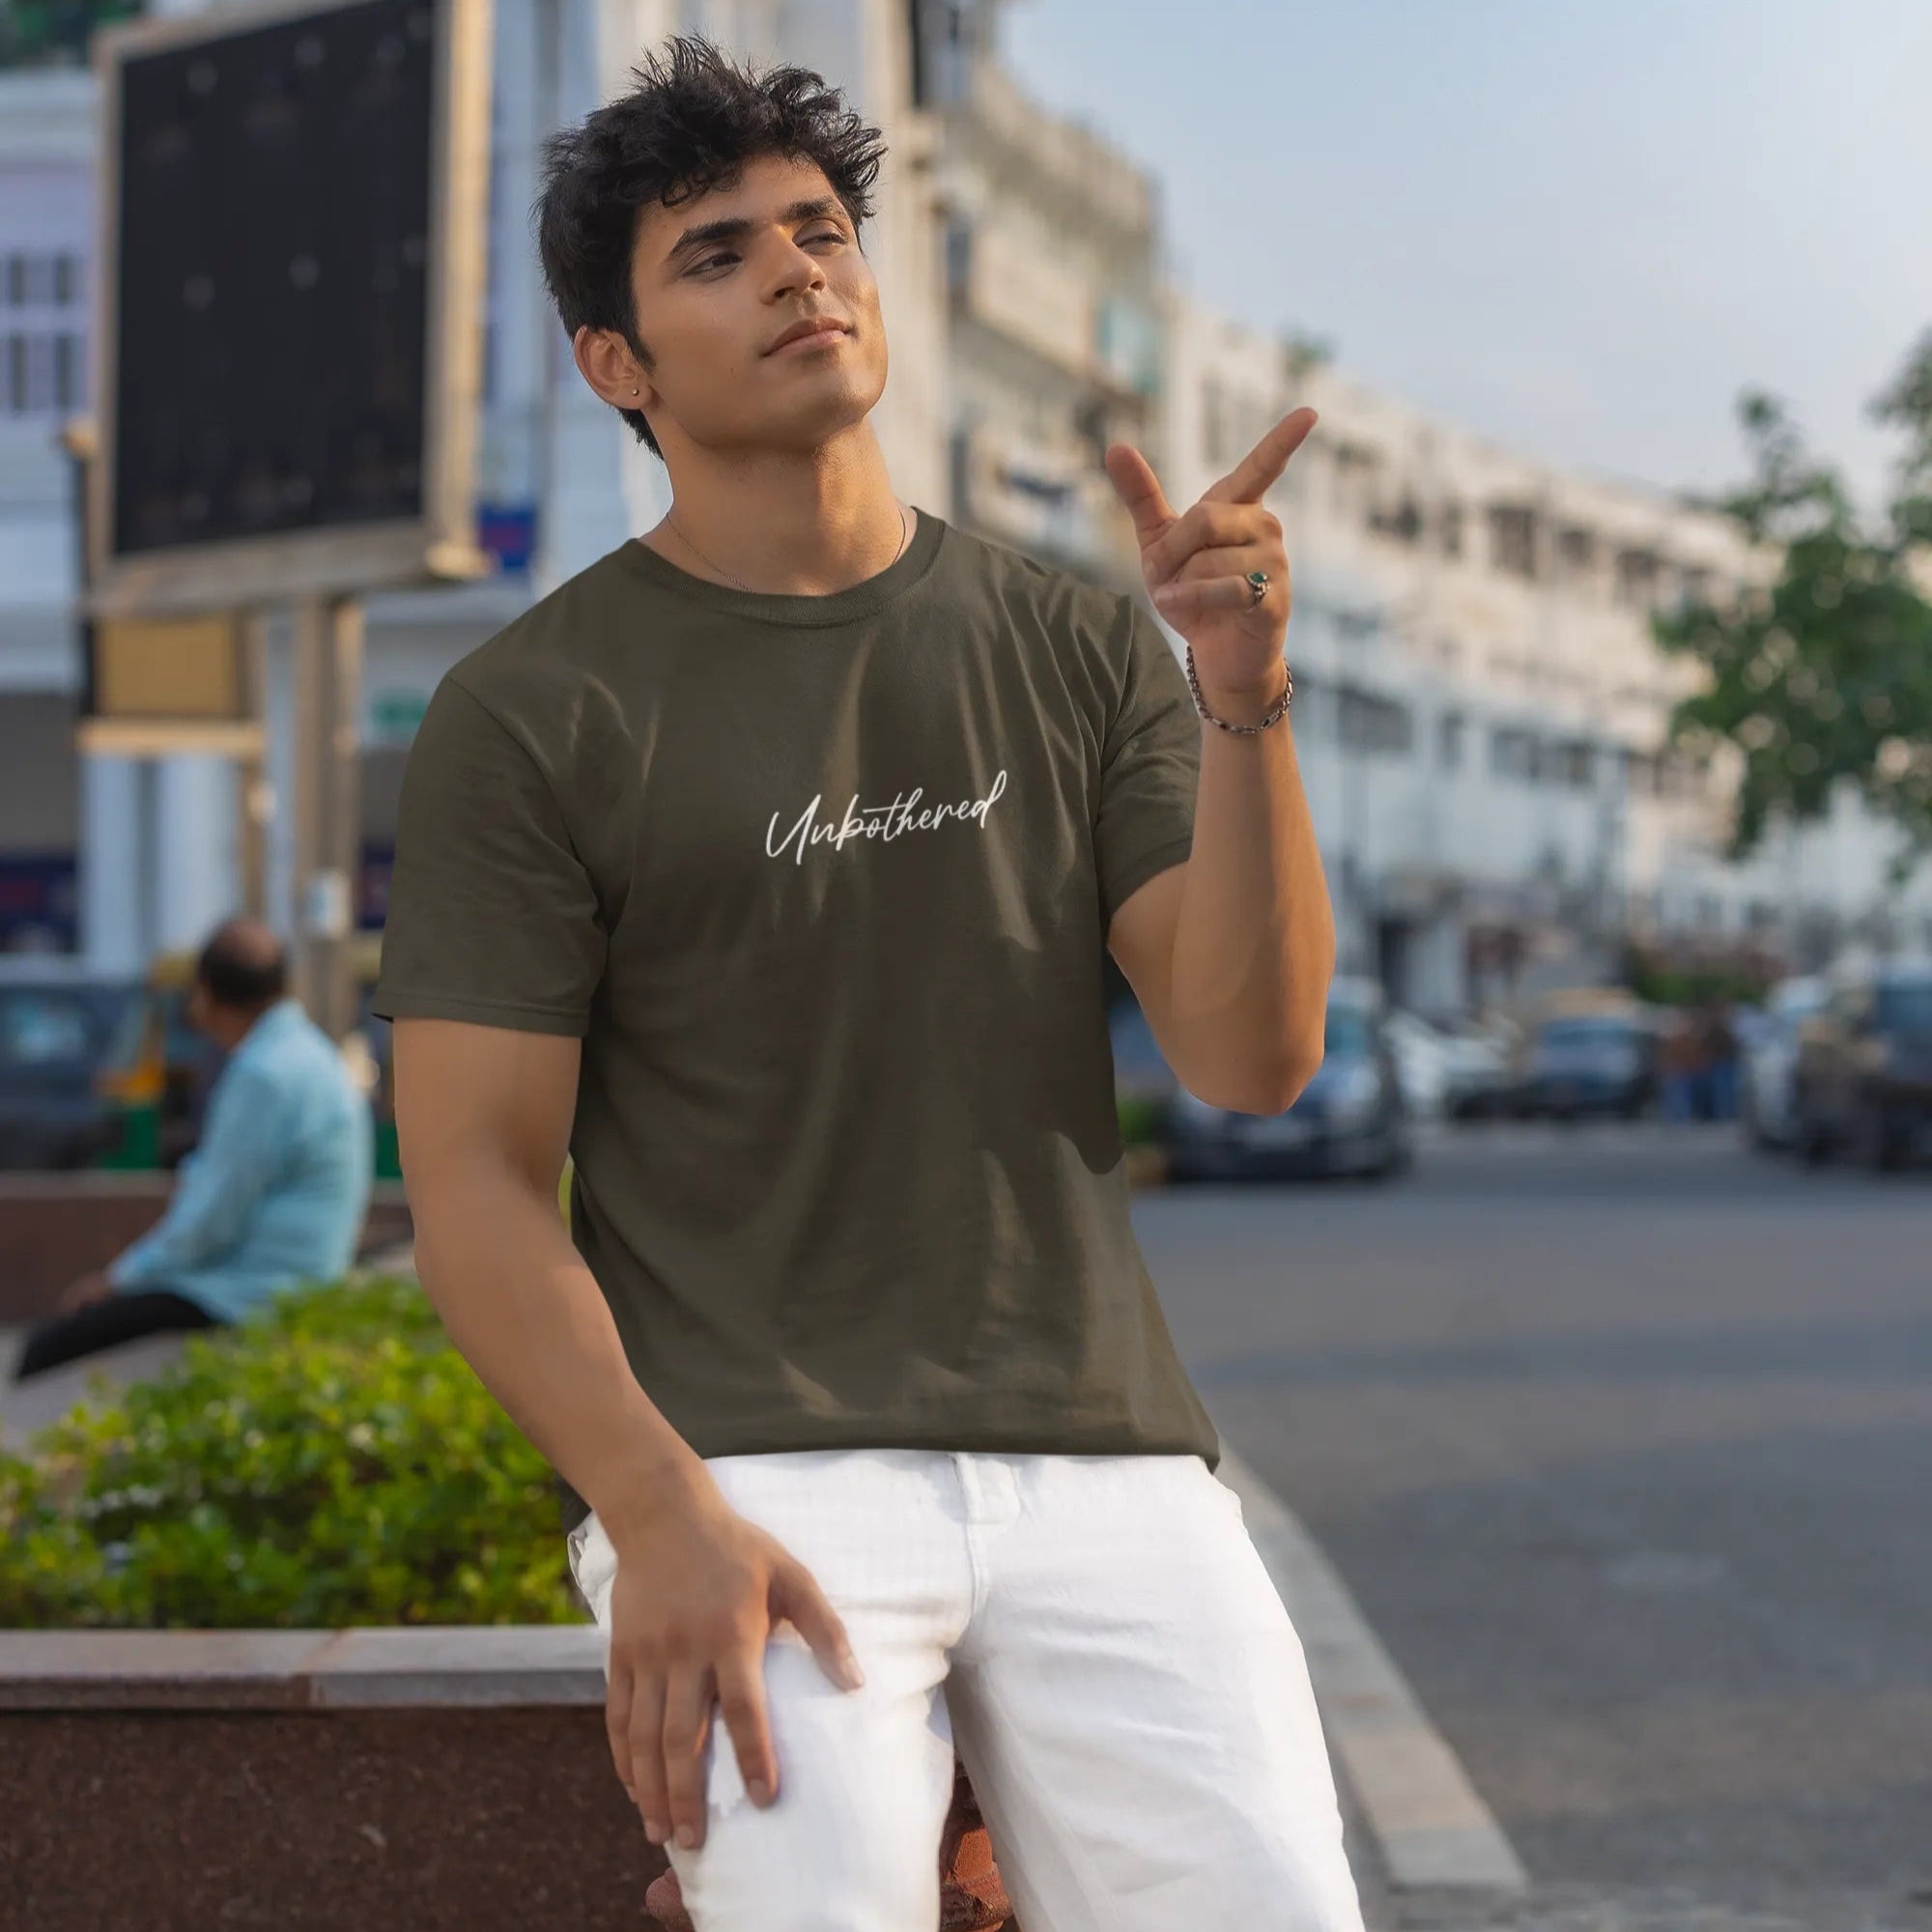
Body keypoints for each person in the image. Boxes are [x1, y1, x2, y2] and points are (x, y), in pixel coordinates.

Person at [372, 35, 1355, 1932]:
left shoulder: (1076, 642)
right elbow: (479, 1182)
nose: (799, 270)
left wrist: (1237, 689)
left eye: (821, 232)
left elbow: (1248, 1052)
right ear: (618, 367)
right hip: (754, 1469)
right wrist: (651, 1510)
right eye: (717, 254)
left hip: (1104, 1456)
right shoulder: (532, 710)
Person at [11, 919, 374, 1382]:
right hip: (293, 1281)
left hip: (248, 1294)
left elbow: (211, 1220)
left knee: (48, 1349)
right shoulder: (308, 1054)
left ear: (204, 996)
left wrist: (118, 1280)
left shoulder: (264, 1074)